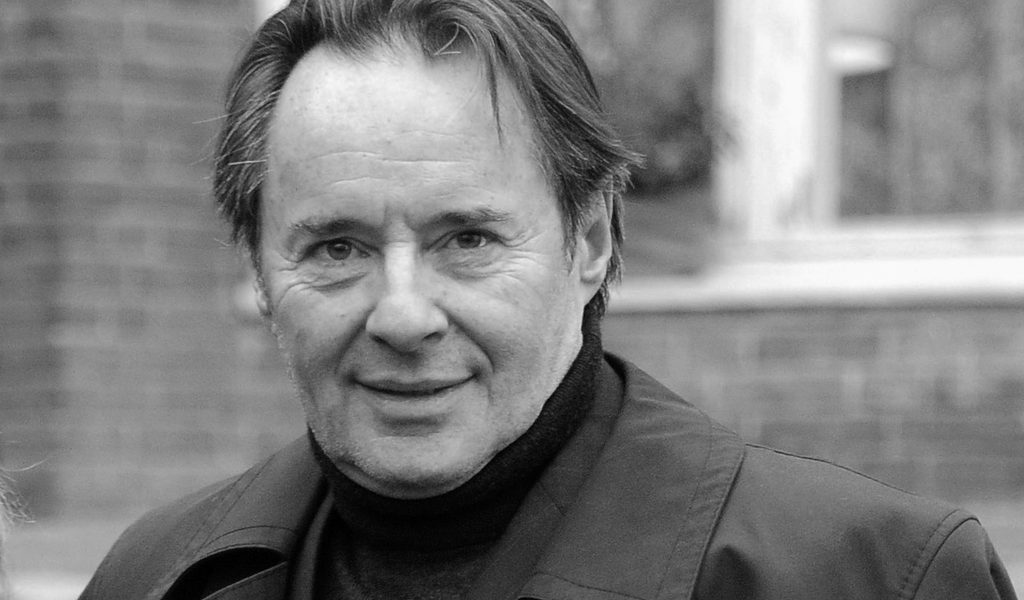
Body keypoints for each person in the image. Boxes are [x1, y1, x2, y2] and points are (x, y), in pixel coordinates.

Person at [79, 1, 1018, 598]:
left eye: (468, 239)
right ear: (258, 271)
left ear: (592, 240)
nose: (403, 316)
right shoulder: (153, 577)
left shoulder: (868, 577)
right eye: (337, 247)